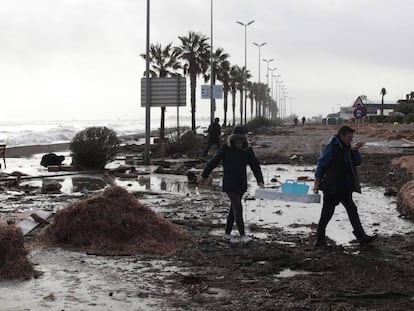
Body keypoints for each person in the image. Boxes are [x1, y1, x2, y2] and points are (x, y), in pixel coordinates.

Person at [313, 126, 378, 247]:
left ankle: (361, 237)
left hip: (345, 187)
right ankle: (320, 239)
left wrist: (356, 150)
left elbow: (357, 162)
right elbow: (321, 165)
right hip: (332, 187)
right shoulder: (331, 148)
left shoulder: (348, 149)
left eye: (352, 137)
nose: (351, 139)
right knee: (327, 213)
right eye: (349, 137)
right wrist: (316, 183)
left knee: (352, 210)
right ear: (342, 135)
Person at [200, 126, 264, 244]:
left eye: (241, 141)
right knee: (238, 208)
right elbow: (214, 161)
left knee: (233, 209)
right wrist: (204, 175)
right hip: (229, 183)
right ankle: (243, 235)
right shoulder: (225, 148)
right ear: (233, 140)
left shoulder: (247, 150)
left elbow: (255, 165)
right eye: (236, 141)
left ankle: (227, 234)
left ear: (244, 141)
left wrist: (260, 181)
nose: (239, 143)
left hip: (241, 183)